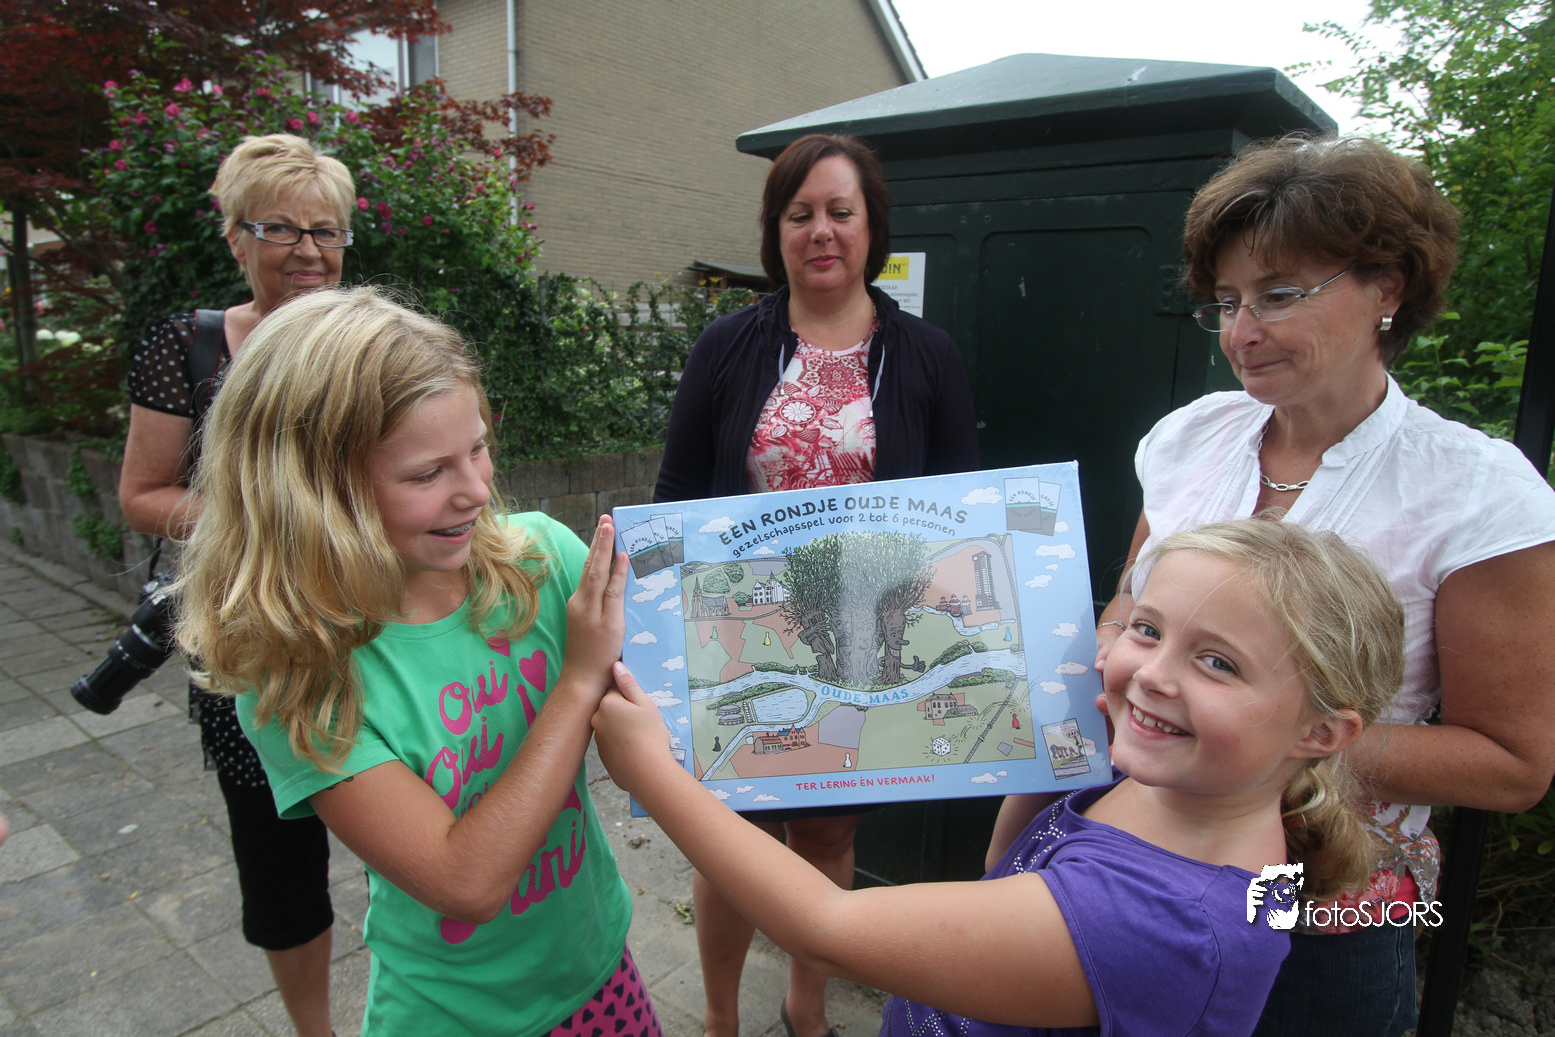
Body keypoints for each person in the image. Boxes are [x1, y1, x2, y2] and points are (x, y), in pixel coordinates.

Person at [1088, 135, 1555, 1036]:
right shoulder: (1190, 436)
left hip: (1314, 912)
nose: (1241, 331)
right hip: (1135, 857)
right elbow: (1131, 599)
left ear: (1387, 287)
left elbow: (1510, 763)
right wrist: (1114, 649)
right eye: (1227, 301)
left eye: (1278, 294)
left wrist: (1265, 739)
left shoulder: (1477, 493)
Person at [595, 519, 1406, 1036]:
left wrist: (653, 772)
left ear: (1320, 732)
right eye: (1146, 629)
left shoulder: (1166, 922)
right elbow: (1007, 870)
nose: (1153, 674)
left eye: (1218, 662)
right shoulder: (1166, 786)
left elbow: (824, 928)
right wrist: (1051, 744)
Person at [173, 286, 660, 1037]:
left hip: (599, 968)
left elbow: (678, 714)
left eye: (477, 448)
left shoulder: (540, 562)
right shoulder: (299, 677)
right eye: (427, 474)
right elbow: (466, 881)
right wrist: (576, 684)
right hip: (454, 1017)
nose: (476, 490)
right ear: (314, 493)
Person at [653, 132, 978, 1037]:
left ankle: (805, 1004)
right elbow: (675, 492)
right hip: (747, 628)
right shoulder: (726, 346)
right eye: (799, 214)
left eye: (840, 211)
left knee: (828, 832)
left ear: (873, 227)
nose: (820, 231)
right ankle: (719, 1017)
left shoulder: (927, 354)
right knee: (732, 838)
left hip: (864, 638)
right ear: (775, 231)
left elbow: (962, 505)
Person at [117, 132, 355, 1037]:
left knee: (415, 829)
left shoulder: (367, 339)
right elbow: (143, 495)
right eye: (280, 228)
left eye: (325, 231)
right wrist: (264, 522)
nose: (307, 251)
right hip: (247, 641)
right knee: (278, 858)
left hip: (374, 625)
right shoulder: (187, 344)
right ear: (236, 237)